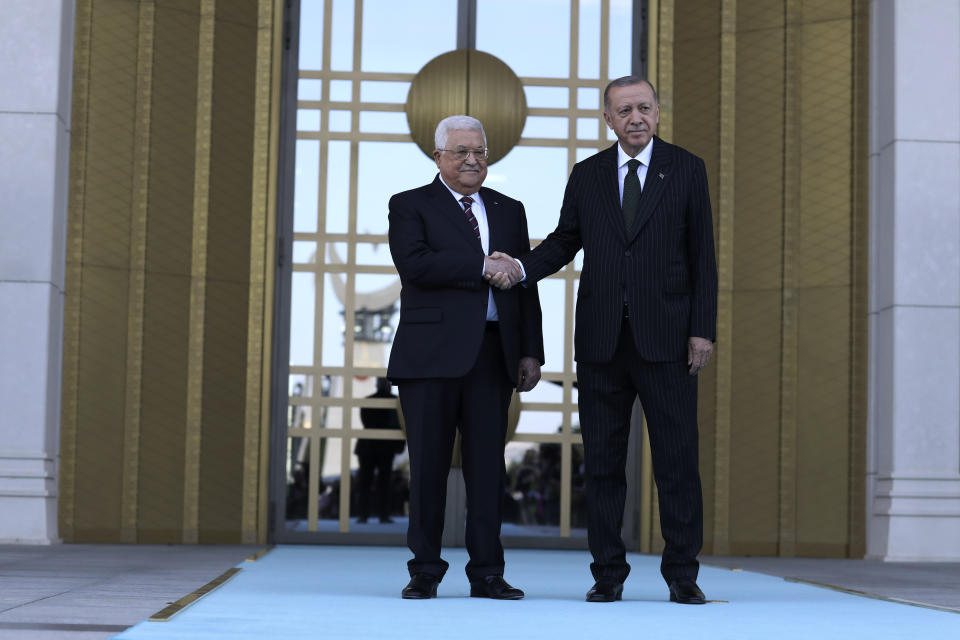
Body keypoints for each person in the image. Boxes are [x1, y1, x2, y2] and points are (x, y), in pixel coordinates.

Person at [490, 76, 717, 604]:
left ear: (657, 111)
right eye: (623, 111)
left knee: (677, 464)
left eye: (643, 107)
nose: (635, 118)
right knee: (604, 467)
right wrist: (521, 266)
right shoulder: (588, 174)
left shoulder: (686, 168)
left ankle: (683, 574)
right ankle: (607, 574)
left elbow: (703, 255)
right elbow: (567, 240)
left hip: (668, 342)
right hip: (602, 344)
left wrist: (702, 330)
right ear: (608, 120)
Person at [387, 115, 545, 600]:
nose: (473, 159)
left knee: (487, 470)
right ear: (438, 157)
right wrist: (482, 265)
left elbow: (524, 284)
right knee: (429, 469)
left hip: (493, 354)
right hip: (430, 357)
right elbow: (415, 264)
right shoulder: (410, 204)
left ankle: (488, 574)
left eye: (480, 150)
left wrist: (530, 351)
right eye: (461, 151)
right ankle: (425, 573)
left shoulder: (510, 209)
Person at [354, 377, 404, 524]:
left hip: (368, 446)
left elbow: (366, 422)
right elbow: (400, 424)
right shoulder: (396, 401)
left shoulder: (368, 400)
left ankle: (364, 515)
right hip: (385, 447)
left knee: (366, 482)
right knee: (384, 482)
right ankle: (383, 515)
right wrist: (399, 445)